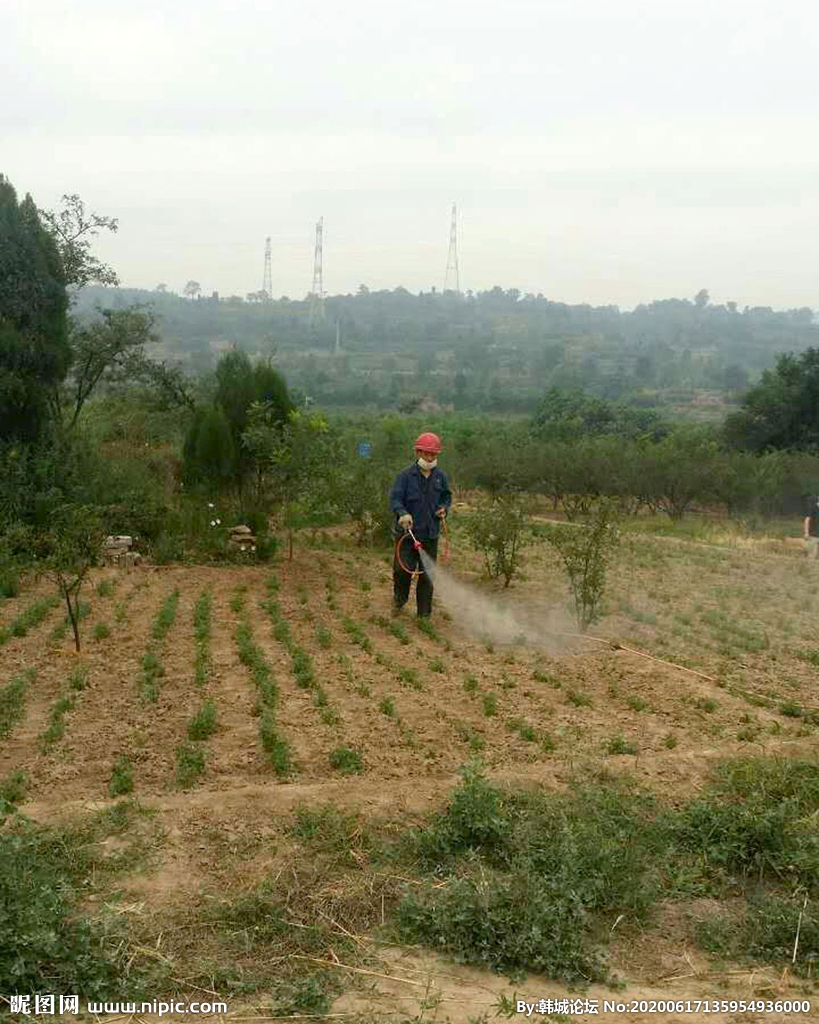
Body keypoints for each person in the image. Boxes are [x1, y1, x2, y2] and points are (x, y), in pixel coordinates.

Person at [390, 431, 452, 618]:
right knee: (402, 570)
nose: (430, 457)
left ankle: (424, 614)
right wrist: (402, 513)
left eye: (433, 454)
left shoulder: (441, 476)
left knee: (427, 576)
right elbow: (395, 499)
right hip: (407, 534)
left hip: (430, 534)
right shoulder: (405, 476)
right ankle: (399, 600)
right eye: (426, 453)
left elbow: (446, 496)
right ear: (418, 453)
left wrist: (443, 508)